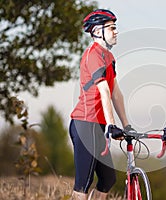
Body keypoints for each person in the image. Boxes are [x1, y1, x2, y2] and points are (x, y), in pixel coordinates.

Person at [69, 9, 134, 200]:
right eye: (111, 28)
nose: (116, 32)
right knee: (83, 184)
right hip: (85, 123)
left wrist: (126, 124)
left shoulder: (109, 57)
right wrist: (112, 125)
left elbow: (115, 92)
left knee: (107, 179)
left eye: (115, 28)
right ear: (97, 31)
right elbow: (103, 91)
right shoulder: (93, 54)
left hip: (98, 125)